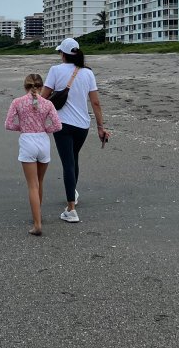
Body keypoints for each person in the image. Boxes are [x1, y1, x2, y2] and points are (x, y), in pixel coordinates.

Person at [42, 38, 110, 223]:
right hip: (82, 126)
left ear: (63, 54)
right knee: (73, 158)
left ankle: (71, 209)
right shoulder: (88, 73)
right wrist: (100, 127)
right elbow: (95, 102)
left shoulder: (55, 70)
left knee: (68, 163)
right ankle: (73, 193)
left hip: (62, 125)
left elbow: (43, 97)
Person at [5, 74, 62, 236]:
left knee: (32, 185)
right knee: (39, 181)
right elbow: (58, 126)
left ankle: (37, 224)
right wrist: (44, 129)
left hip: (27, 141)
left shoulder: (17, 102)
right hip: (43, 141)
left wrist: (22, 127)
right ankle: (38, 215)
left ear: (25, 87)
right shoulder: (48, 103)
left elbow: (8, 124)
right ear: (41, 87)